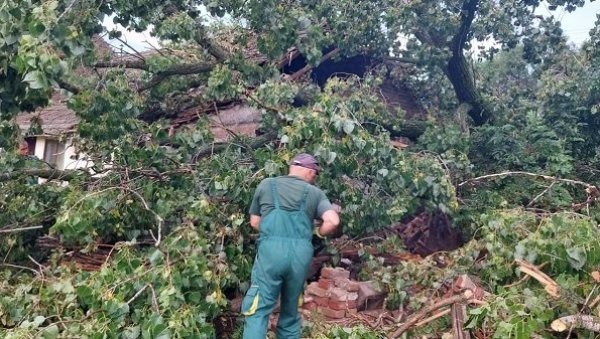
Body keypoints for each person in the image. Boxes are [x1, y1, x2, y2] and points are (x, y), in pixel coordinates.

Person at [242, 153, 340, 339]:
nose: (314, 178)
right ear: (309, 171)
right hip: (300, 256)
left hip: (271, 252)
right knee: (290, 310)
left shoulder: (267, 185)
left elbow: (254, 222)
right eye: (315, 174)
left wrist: (274, 232)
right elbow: (333, 221)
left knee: (259, 308)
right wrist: (319, 232)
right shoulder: (315, 193)